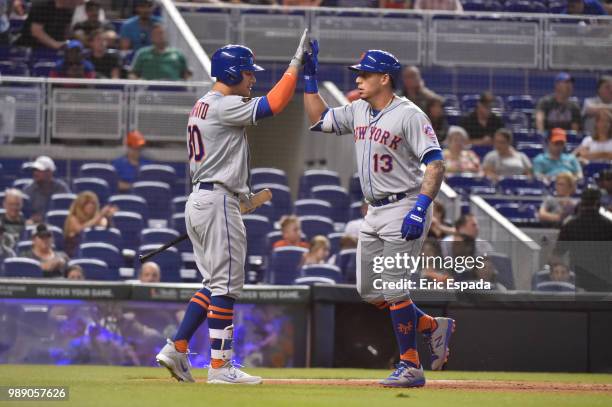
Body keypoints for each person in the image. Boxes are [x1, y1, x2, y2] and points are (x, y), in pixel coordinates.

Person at [155, 32, 310, 385]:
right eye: (248, 72)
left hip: (204, 197)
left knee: (213, 282)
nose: (252, 77)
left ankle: (177, 346)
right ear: (230, 74)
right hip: (216, 200)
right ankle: (221, 368)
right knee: (226, 286)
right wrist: (295, 65)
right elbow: (275, 105)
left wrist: (242, 198)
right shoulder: (224, 105)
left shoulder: (202, 104)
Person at [303, 43, 454, 387]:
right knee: (371, 291)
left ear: (385, 78)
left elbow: (435, 162)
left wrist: (420, 207)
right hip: (374, 210)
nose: (358, 78)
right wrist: (309, 79)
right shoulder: (358, 109)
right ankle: (431, 326)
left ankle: (411, 365)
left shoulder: (409, 114)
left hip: (405, 205)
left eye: (365, 74)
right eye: (358, 73)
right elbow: (319, 118)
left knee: (394, 288)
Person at [554, 187, 612, 292]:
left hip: (577, 282)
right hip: (604, 282)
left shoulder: (570, 225)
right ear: (598, 204)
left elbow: (558, 254)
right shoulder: (608, 225)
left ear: (581, 203)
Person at [63, 191, 118, 257]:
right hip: (75, 253)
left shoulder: (98, 219)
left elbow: (104, 228)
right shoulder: (73, 219)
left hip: (95, 253)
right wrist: (100, 215)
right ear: (80, 205)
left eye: (93, 203)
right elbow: (80, 229)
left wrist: (108, 217)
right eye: (87, 203)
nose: (90, 206)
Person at [23, 156, 70, 223]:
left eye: (39, 171)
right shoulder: (28, 190)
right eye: (35, 170)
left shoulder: (62, 189)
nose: (35, 173)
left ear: (49, 172)